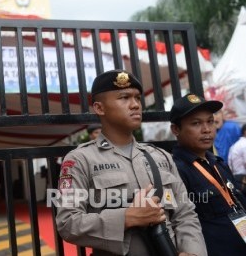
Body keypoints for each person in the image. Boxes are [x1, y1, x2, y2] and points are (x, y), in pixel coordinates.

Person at [55, 70, 206, 256]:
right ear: (99, 108)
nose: (135, 105)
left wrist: (193, 252)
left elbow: (185, 213)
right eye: (124, 97)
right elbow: (68, 223)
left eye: (137, 98)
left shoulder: (161, 157)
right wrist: (125, 218)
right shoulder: (80, 160)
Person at [170, 94, 246, 256]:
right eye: (196, 123)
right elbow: (177, 222)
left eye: (210, 121)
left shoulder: (217, 163)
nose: (207, 129)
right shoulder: (176, 170)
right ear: (176, 129)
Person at [228, 124, 246, 193]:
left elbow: (229, 164)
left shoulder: (234, 145)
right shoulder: (244, 144)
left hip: (235, 178)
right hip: (243, 178)